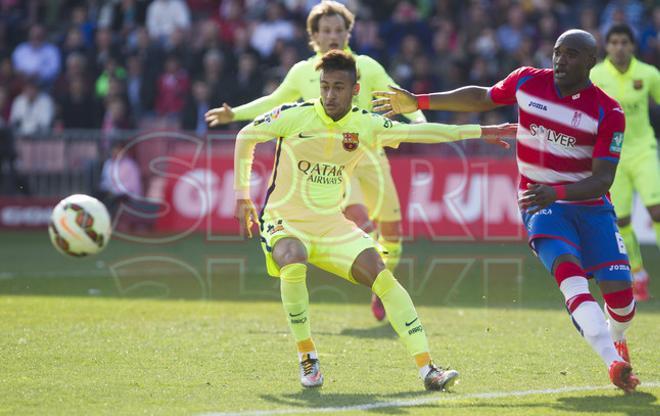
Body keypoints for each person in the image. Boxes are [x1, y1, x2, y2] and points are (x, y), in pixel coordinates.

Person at [372, 29, 640, 393]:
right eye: (558, 51)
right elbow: (482, 98)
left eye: (572, 54)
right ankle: (614, 363)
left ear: (591, 62)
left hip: (590, 207)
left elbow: (603, 179)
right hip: (540, 205)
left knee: (622, 300)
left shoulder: (608, 111)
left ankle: (616, 335)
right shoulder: (528, 80)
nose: (561, 60)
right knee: (570, 277)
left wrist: (557, 190)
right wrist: (418, 101)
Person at [234, 50, 515, 390]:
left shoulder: (364, 124)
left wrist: (480, 131)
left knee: (383, 279)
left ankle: (428, 368)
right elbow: (246, 136)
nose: (329, 95)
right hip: (285, 221)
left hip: (331, 225)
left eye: (338, 87)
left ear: (354, 90)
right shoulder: (296, 115)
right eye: (324, 87)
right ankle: (307, 356)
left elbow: (422, 134)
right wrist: (242, 195)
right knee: (293, 262)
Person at [206, 1, 426, 322]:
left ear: (349, 33)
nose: (333, 36)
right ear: (314, 36)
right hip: (336, 162)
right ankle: (360, 256)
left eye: (339, 30)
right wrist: (234, 114)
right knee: (359, 216)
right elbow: (274, 101)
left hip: (372, 156)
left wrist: (419, 122)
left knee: (392, 233)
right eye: (326, 31)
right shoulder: (302, 72)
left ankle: (381, 285)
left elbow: (401, 97)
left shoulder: (367, 66)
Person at [590, 24, 660, 302]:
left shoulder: (648, 74)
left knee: (656, 210)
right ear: (607, 47)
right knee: (621, 220)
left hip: (644, 150)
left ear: (632, 46)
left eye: (624, 42)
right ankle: (638, 273)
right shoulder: (595, 75)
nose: (619, 47)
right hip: (611, 156)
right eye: (614, 42)